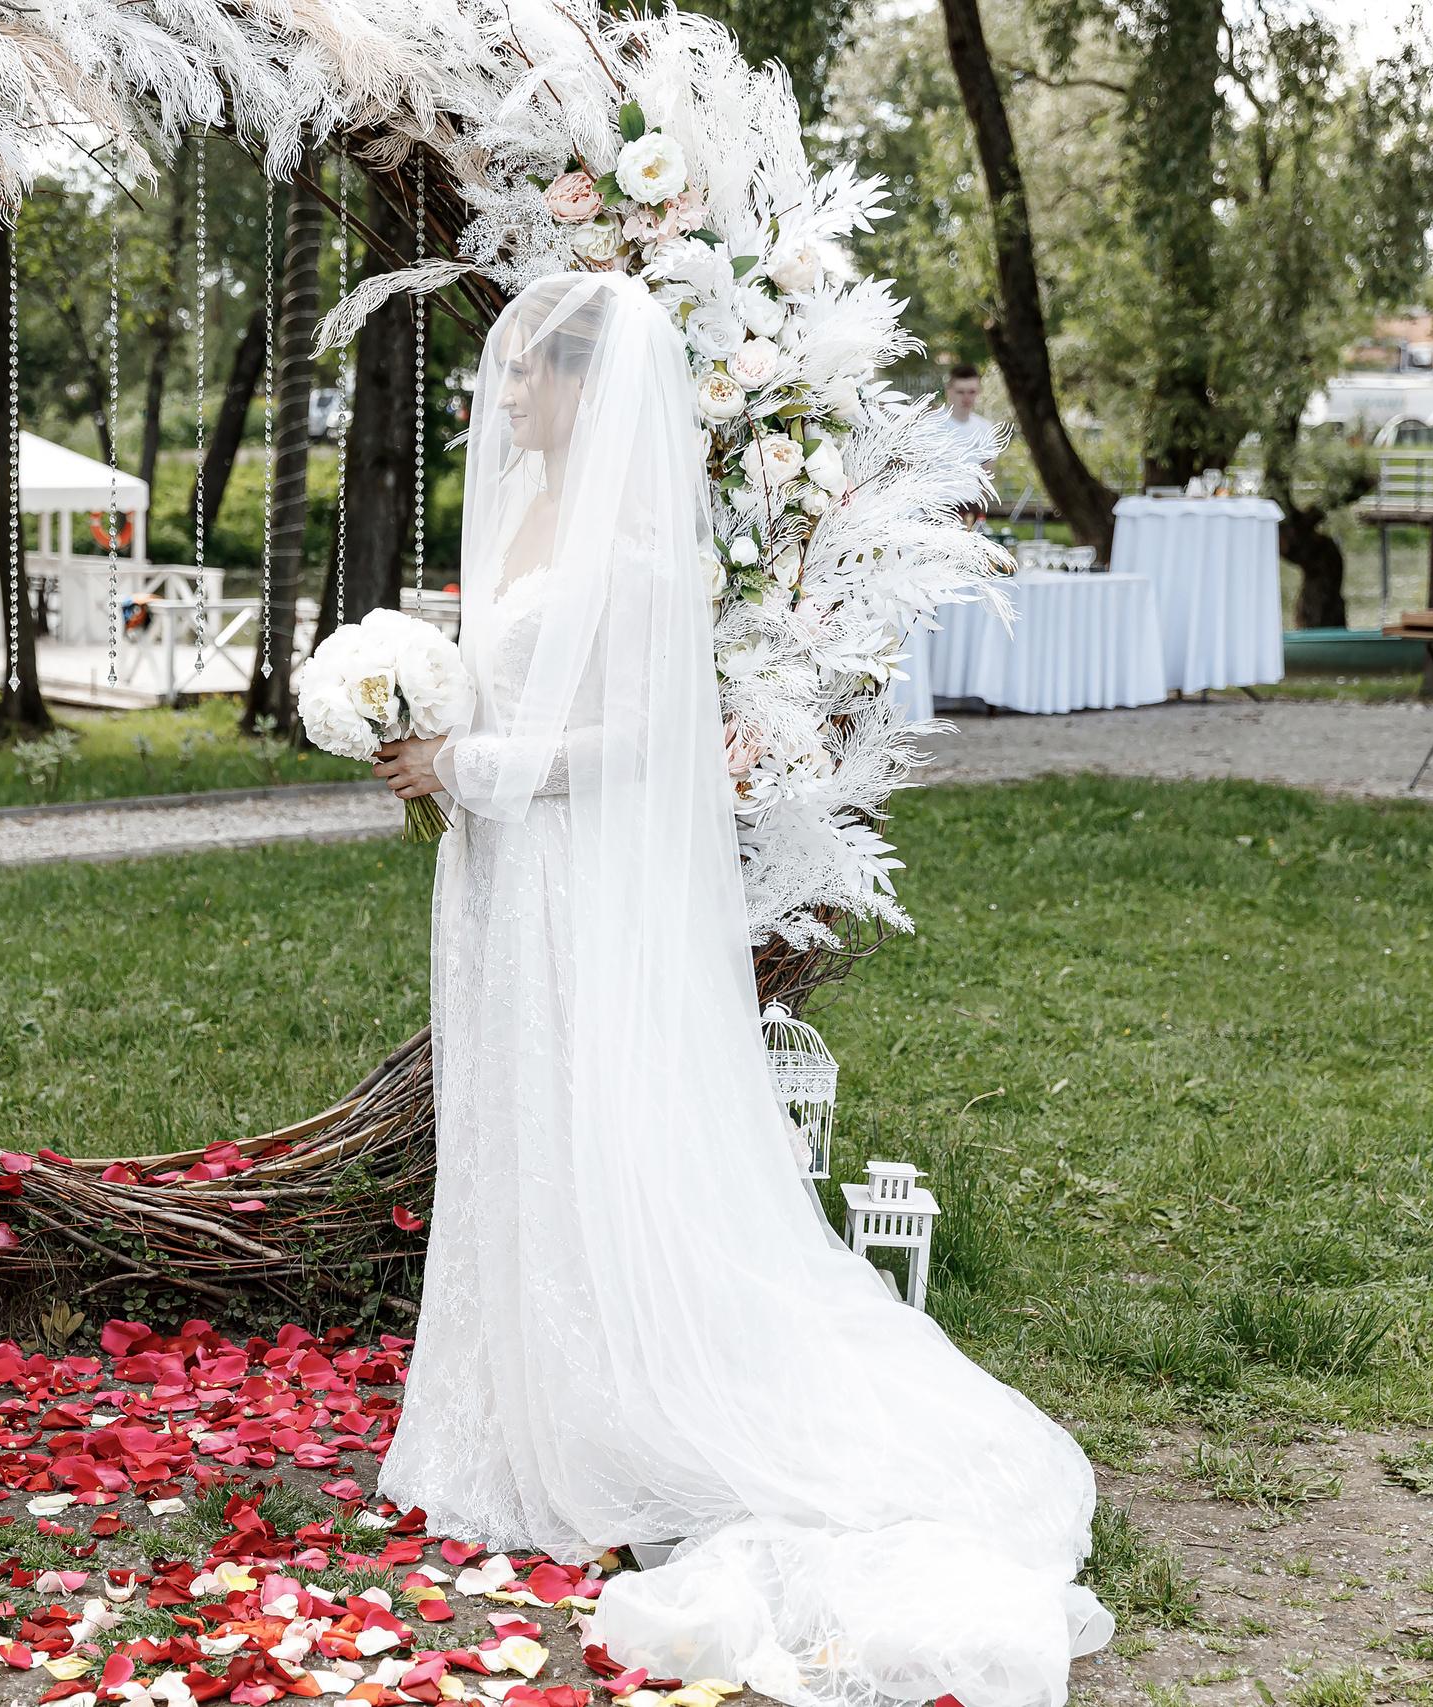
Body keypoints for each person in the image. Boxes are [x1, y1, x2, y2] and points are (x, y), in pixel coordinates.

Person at [366, 274, 1111, 1707]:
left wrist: (473, 765)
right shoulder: (523, 511)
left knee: (587, 1113)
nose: (507, 399)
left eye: (528, 375)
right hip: (496, 873)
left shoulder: (640, 550)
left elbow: (646, 740)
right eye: (508, 375)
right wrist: (419, 724)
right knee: (515, 1111)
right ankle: (503, 1402)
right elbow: (502, 682)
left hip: (575, 869)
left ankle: (601, 1406)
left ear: (591, 384)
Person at [945, 360, 999, 526]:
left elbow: (987, 474)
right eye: (960, 392)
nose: (966, 398)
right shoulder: (930, 425)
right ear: (949, 392)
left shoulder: (984, 428)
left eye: (971, 392)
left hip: (970, 509)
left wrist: (979, 509)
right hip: (938, 508)